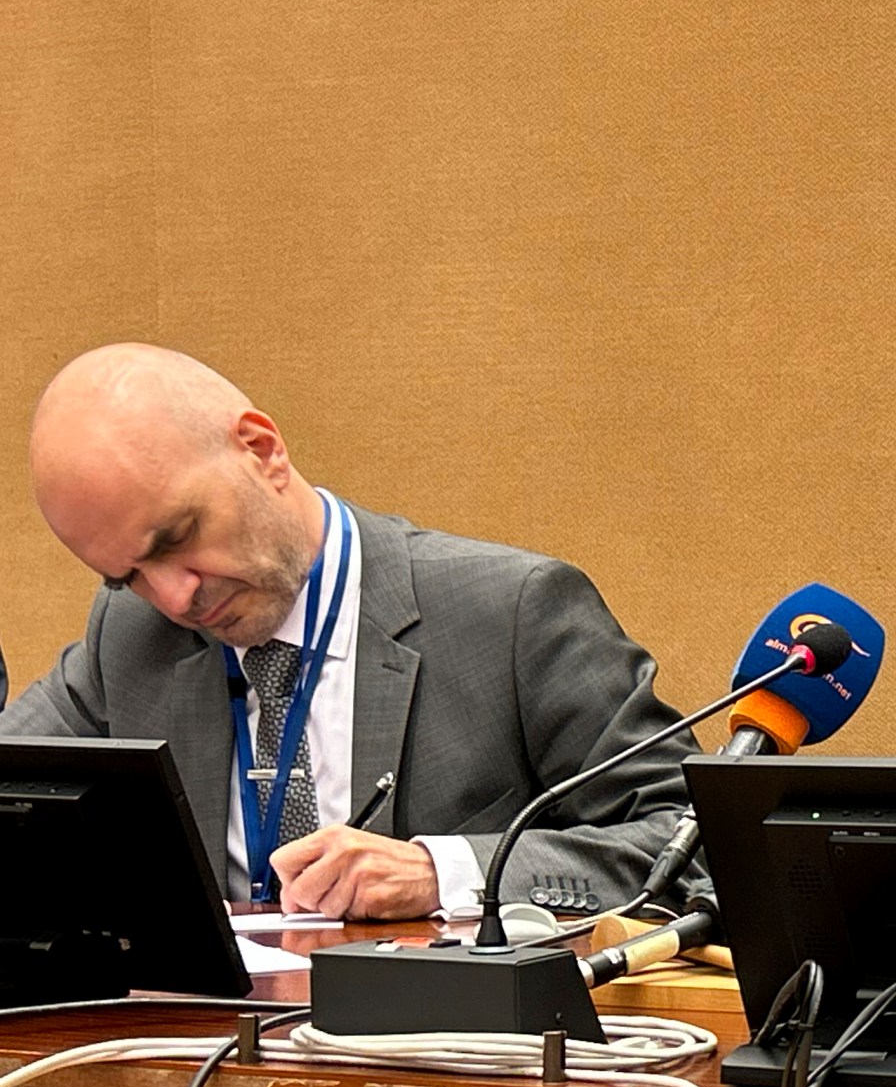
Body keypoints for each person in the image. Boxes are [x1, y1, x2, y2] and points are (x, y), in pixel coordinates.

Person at [0, 343, 698, 920]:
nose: (174, 595)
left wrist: (445, 872)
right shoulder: (132, 635)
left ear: (261, 450)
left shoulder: (515, 613)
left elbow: (693, 850)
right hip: (212, 1059)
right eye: (128, 576)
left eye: (178, 537)